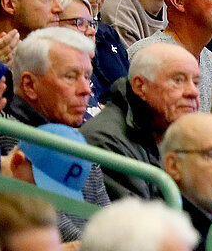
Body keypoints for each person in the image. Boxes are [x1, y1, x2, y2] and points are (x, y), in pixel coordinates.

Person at [82, 39, 201, 200]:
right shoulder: (106, 141)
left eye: (196, 82)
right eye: (178, 80)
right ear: (140, 86)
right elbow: (140, 221)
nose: (193, 92)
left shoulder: (170, 132)